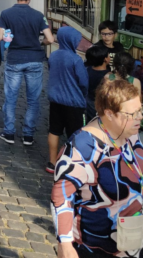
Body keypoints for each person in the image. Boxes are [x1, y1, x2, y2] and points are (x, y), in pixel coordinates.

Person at [52, 79, 143, 258]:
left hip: (131, 240)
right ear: (109, 114)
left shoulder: (130, 133)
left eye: (140, 110)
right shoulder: (81, 148)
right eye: (132, 113)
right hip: (96, 247)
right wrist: (65, 243)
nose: (139, 117)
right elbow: (61, 196)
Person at [0, 0, 54, 145]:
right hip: (35, 59)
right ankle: (28, 135)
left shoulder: (6, 14)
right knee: (33, 99)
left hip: (15, 58)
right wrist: (40, 43)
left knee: (11, 98)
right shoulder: (38, 15)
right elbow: (50, 39)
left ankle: (9, 133)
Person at [46, 26, 89, 174]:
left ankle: (51, 162)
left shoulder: (53, 55)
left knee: (54, 130)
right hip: (74, 103)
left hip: (55, 100)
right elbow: (83, 82)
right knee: (75, 134)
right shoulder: (76, 59)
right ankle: (72, 162)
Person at [84, 45, 110, 123]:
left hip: (88, 102)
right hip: (98, 105)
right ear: (105, 59)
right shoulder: (108, 76)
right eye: (108, 56)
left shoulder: (87, 70)